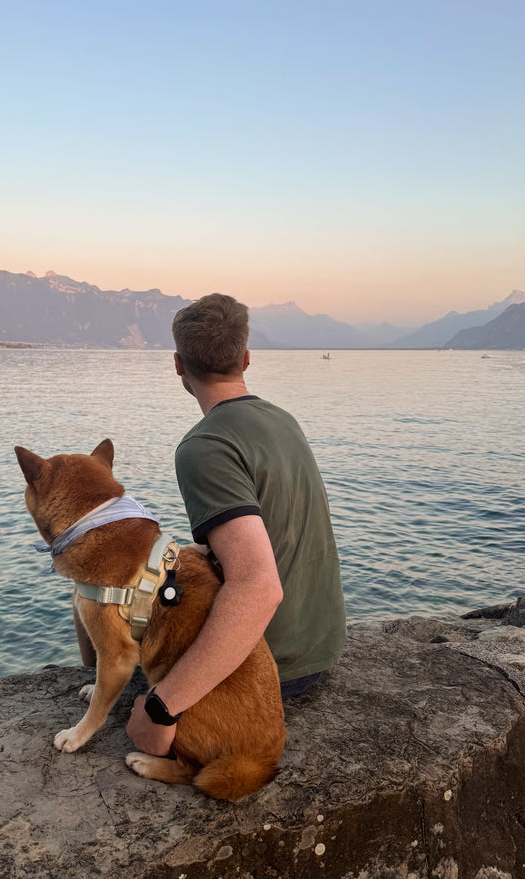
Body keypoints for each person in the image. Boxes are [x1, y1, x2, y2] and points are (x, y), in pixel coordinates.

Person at [127, 293, 346, 755]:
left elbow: (258, 586)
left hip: (274, 670)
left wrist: (162, 708)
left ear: (178, 365)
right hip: (322, 649)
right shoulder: (282, 421)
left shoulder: (204, 446)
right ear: (246, 358)